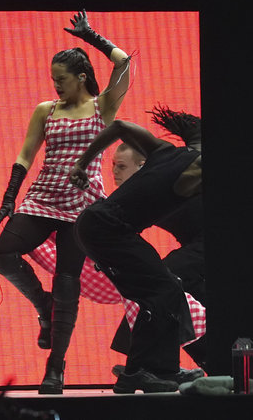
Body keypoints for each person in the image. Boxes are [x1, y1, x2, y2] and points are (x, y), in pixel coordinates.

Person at [0, 9, 131, 394]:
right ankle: (43, 307)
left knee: (68, 281)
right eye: (53, 79)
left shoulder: (103, 107)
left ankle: (56, 369)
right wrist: (8, 199)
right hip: (43, 196)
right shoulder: (45, 111)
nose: (55, 85)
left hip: (82, 204)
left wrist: (93, 37)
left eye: (62, 79)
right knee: (3, 255)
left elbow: (123, 63)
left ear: (81, 77)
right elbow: (26, 155)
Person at [68, 111, 202, 393]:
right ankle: (138, 371)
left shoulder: (164, 150)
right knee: (164, 289)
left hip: (100, 226)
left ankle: (159, 370)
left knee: (166, 289)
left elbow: (119, 126)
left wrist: (82, 163)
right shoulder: (200, 164)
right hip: (108, 227)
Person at [108, 107, 206, 373]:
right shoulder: (140, 193)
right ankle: (199, 363)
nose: (114, 172)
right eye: (113, 166)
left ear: (142, 166)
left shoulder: (161, 179)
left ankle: (142, 365)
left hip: (212, 246)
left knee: (161, 280)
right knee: (179, 305)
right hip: (198, 251)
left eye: (121, 166)